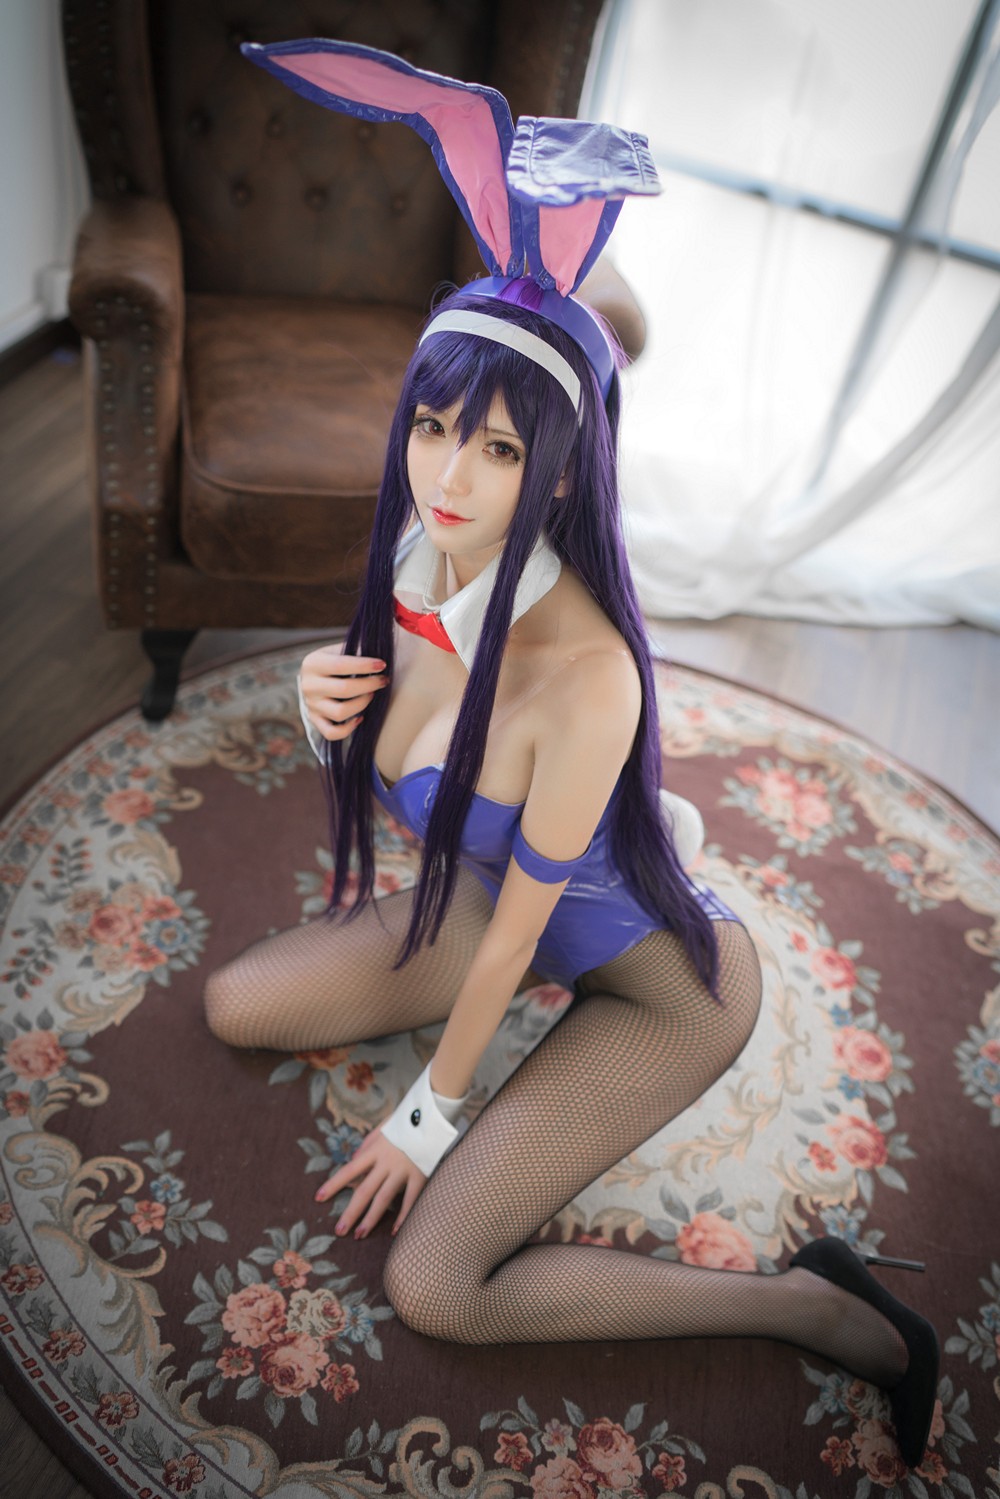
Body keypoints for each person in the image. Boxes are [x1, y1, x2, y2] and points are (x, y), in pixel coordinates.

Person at [203, 39, 939, 1471]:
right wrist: (316, 701)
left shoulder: (588, 674)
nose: (448, 477)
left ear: (557, 471)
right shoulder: (423, 552)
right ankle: (627, 844)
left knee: (437, 1287)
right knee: (239, 1006)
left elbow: (505, 946)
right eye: (434, 428)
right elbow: (408, 764)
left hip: (657, 989)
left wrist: (428, 1116)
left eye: (495, 451)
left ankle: (823, 1308)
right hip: (497, 888)